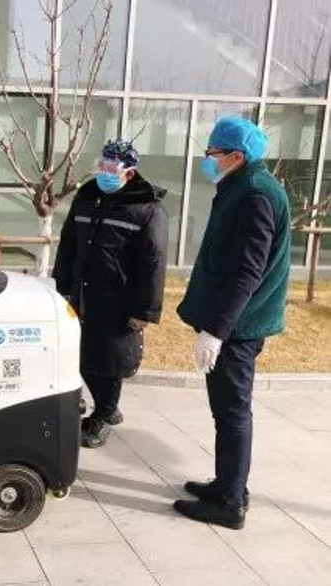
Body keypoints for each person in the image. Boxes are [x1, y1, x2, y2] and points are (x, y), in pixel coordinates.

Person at [174, 117, 290, 530]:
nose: (208, 159)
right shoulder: (243, 185)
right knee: (225, 410)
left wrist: (216, 331)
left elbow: (248, 272)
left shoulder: (255, 195)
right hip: (235, 322)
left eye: (213, 153)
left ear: (236, 156)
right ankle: (228, 484)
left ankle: (230, 503)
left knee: (233, 412)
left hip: (239, 327)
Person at [53, 139, 168, 448]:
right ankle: (103, 406)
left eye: (111, 168)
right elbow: (68, 244)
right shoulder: (86, 197)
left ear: (128, 173)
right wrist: (61, 286)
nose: (104, 172)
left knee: (109, 359)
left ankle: (104, 413)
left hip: (119, 300)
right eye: (101, 165)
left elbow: (154, 262)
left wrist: (145, 310)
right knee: (79, 352)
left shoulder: (147, 208)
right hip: (81, 292)